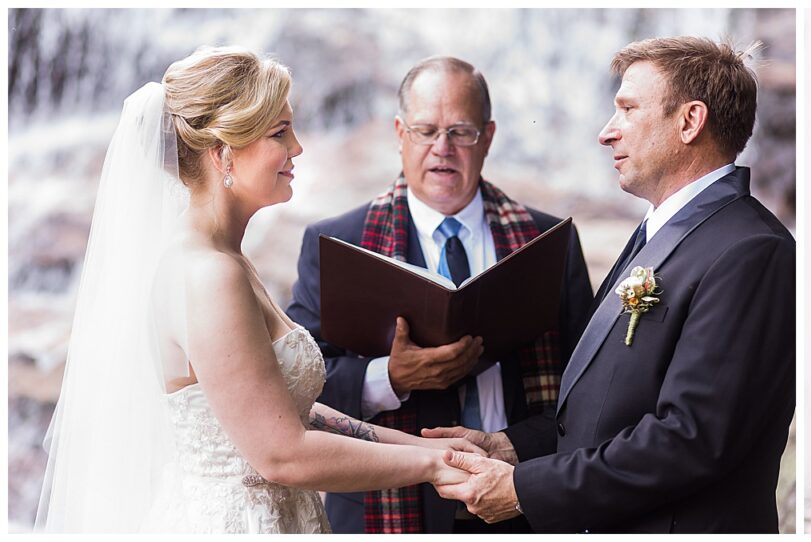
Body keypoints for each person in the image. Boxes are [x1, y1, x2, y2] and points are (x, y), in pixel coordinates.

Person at [33, 46, 479, 534]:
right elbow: (281, 454)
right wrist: (434, 468)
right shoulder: (208, 275)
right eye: (279, 133)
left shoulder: (227, 258)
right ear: (222, 152)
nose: (298, 148)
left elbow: (286, 410)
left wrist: (431, 446)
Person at [423, 36, 795, 533]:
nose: (605, 132)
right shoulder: (661, 232)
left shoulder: (751, 250)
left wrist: (522, 489)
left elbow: (692, 439)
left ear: (690, 121)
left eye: (627, 109)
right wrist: (512, 447)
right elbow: (610, 408)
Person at [284, 56, 592, 534]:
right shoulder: (337, 243)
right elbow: (299, 386)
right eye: (425, 131)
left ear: (487, 137)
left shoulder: (547, 240)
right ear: (399, 134)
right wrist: (389, 377)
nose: (441, 149)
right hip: (382, 512)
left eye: (460, 132)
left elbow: (587, 392)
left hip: (520, 499)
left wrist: (509, 446)